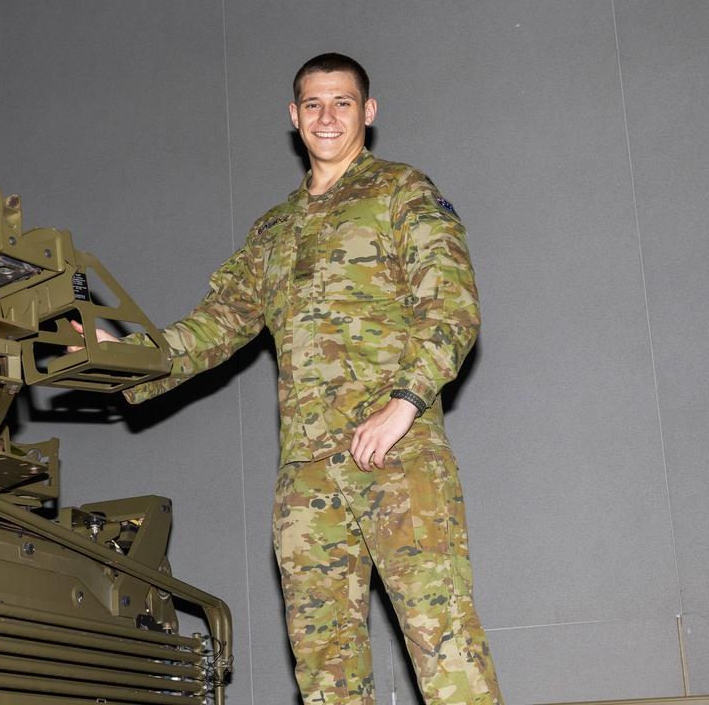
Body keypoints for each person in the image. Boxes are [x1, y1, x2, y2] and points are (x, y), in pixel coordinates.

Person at [81, 53, 502, 703]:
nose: (326, 116)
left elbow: (452, 307)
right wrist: (125, 354)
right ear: (293, 117)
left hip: (399, 460)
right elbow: (217, 324)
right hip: (307, 482)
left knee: (443, 644)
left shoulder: (402, 191)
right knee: (326, 672)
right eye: (313, 104)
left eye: (341, 102)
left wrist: (405, 404)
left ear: (368, 111)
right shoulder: (274, 231)